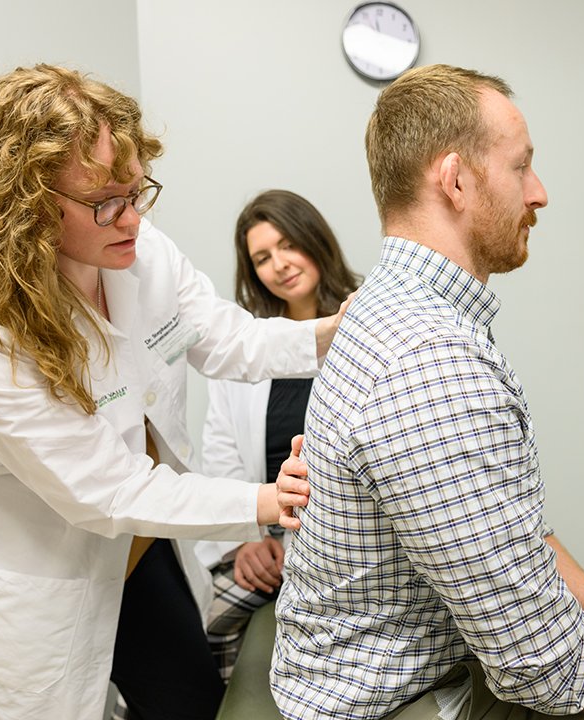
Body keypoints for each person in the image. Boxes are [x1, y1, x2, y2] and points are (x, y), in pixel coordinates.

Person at [270, 64, 584, 720]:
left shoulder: (388, 306)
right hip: (392, 697)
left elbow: (516, 532)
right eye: (521, 168)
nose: (538, 193)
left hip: (421, 647)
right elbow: (546, 671)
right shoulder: (428, 368)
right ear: (455, 180)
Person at [0, 64, 344, 720]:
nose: (133, 220)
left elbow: (226, 338)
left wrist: (330, 333)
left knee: (193, 705)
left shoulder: (138, 253)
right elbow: (108, 489)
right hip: (36, 581)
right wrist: (268, 500)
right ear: (30, 204)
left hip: (138, 551)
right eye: (106, 204)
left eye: (137, 190)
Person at [197, 189, 361, 678]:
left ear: (315, 240)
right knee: (198, 638)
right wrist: (245, 539)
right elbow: (222, 455)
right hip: (265, 538)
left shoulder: (368, 320)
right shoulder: (246, 346)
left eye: (288, 244)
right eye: (263, 258)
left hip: (348, 544)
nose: (280, 265)